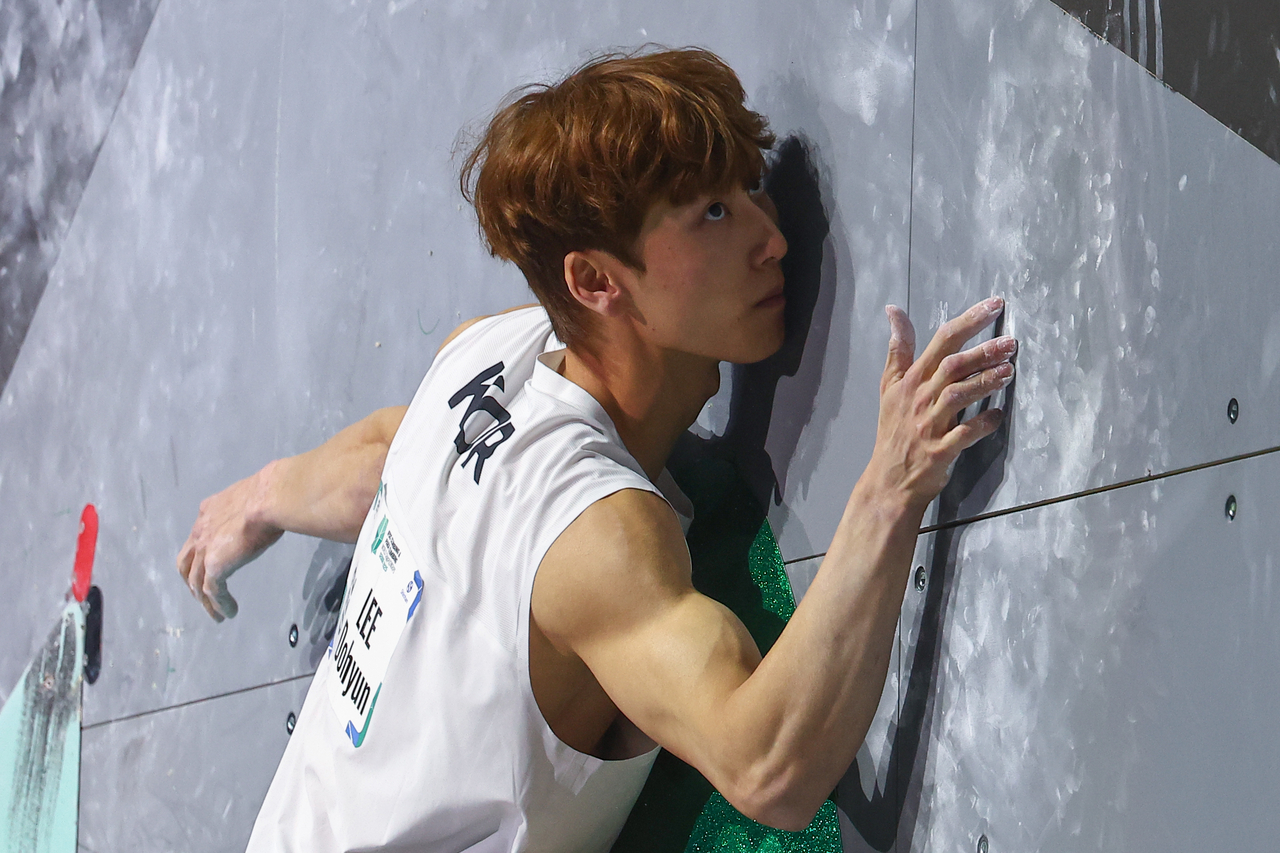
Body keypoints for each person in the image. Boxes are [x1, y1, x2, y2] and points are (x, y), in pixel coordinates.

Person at [176, 47, 1016, 852]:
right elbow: (767, 764)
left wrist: (264, 494)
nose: (772, 239)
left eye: (749, 190)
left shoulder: (482, 353)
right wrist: (891, 485)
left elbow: (390, 450)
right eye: (713, 214)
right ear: (595, 281)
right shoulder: (597, 540)